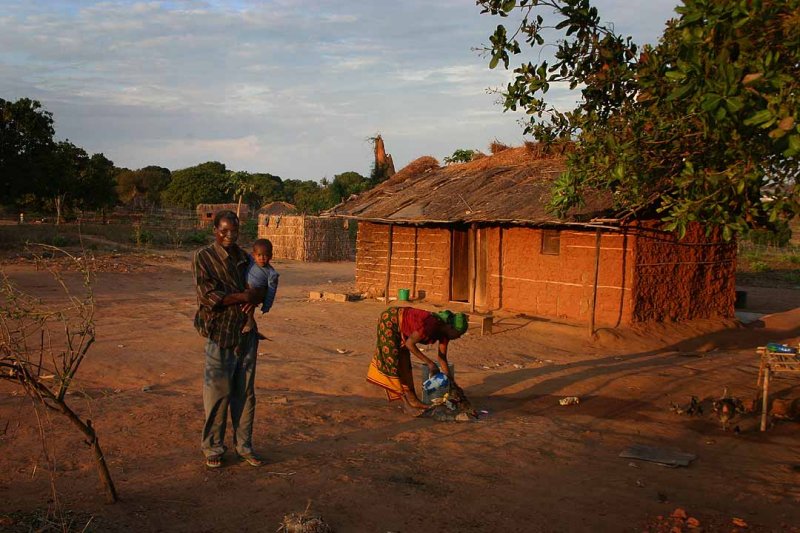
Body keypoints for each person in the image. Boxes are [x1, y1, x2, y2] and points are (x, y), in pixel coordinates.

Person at [193, 210, 266, 468]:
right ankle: (212, 447)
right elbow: (209, 297)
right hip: (220, 332)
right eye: (224, 230)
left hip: (246, 332)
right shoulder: (204, 257)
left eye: (233, 231)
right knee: (217, 393)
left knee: (245, 393)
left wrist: (256, 297)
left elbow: (261, 285)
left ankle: (244, 446)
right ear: (214, 229)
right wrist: (244, 297)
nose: (229, 235)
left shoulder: (246, 258)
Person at [366, 307, 468, 412]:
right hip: (390, 321)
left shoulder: (445, 334)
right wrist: (430, 363)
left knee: (405, 364)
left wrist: (452, 383)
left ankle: (413, 401)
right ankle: (406, 404)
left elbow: (442, 358)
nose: (459, 337)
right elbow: (410, 344)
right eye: (458, 333)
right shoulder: (431, 325)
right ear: (450, 327)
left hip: (404, 330)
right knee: (392, 364)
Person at [242, 238, 279, 336]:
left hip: (255, 292)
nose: (262, 258)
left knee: (250, 304)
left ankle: (250, 321)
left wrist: (266, 306)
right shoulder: (251, 261)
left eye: (265, 255)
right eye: (259, 255)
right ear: (254, 255)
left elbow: (271, 291)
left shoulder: (271, 273)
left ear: (270, 256)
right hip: (243, 287)